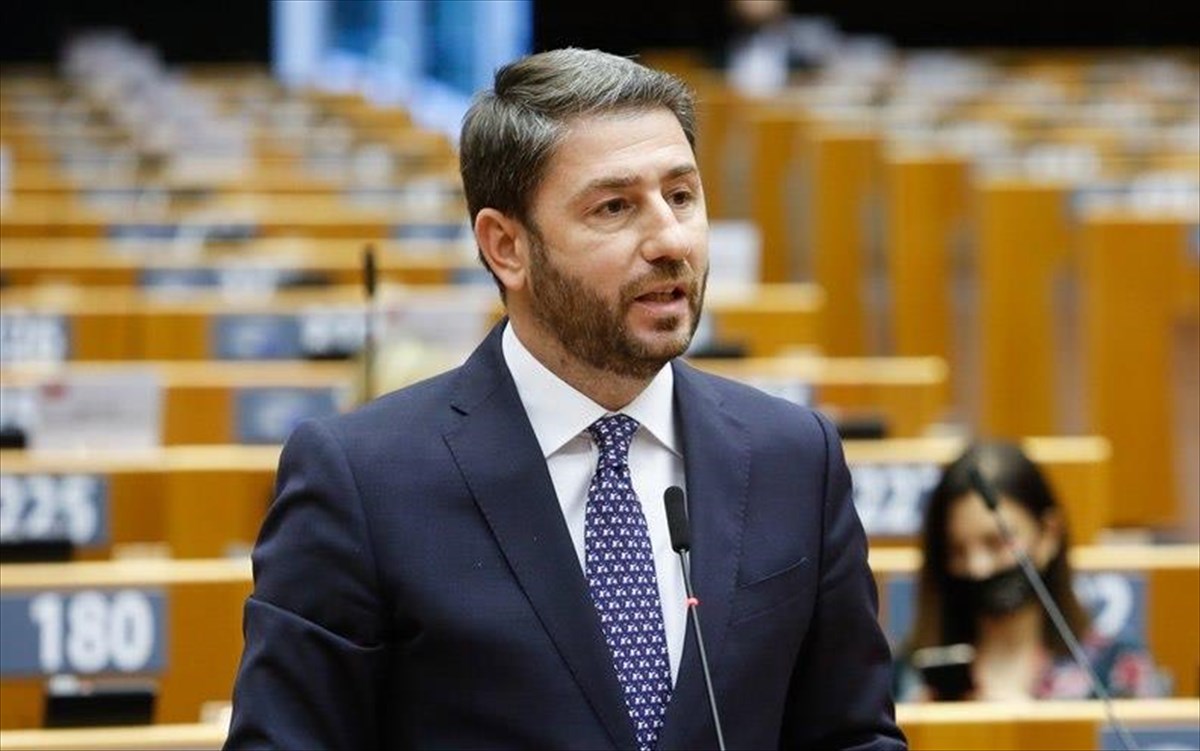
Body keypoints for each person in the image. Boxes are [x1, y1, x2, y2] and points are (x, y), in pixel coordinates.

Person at [225, 48, 905, 750]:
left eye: (681, 196)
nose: (670, 240)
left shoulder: (794, 456)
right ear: (506, 247)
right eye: (615, 207)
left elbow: (852, 737)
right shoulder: (363, 481)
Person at [894, 442, 1164, 702]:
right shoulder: (905, 673)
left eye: (996, 543)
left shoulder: (1115, 665)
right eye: (957, 551)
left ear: (1049, 534)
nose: (977, 567)